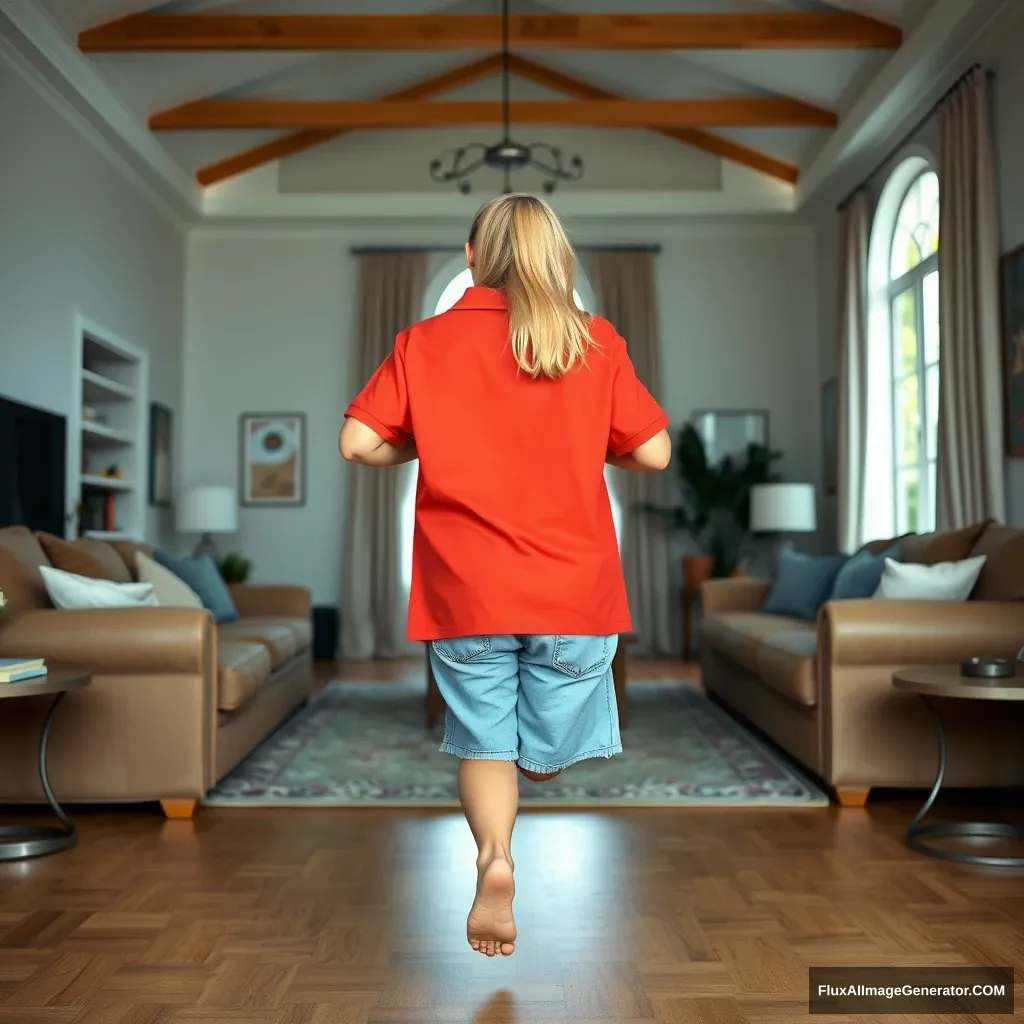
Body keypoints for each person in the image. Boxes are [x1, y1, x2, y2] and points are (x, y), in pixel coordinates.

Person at [340, 193, 671, 958]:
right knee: (539, 758)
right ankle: (536, 770)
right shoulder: (593, 340)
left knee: (484, 746)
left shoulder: (424, 341)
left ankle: (494, 858)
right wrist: (588, 441)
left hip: (467, 593)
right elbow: (653, 452)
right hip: (572, 595)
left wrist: (431, 442)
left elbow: (357, 442)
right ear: (556, 255)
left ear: (471, 256)